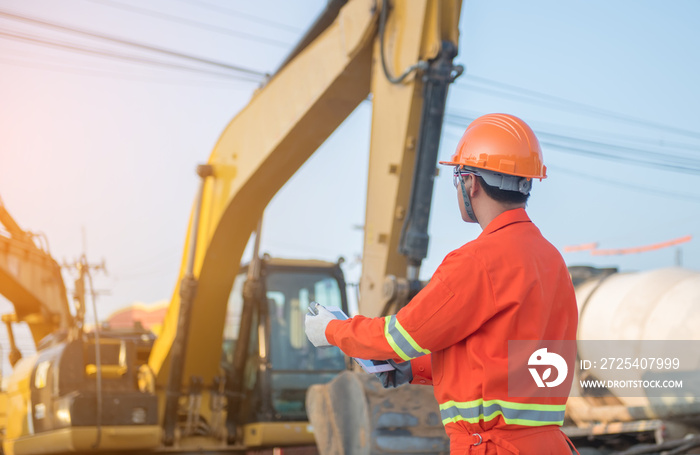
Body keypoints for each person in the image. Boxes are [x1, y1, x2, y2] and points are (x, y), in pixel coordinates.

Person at [305, 113, 579, 454]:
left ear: (471, 182)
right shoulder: (552, 262)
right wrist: (413, 369)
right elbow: (506, 364)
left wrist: (332, 331)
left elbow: (397, 337)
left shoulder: (477, 261)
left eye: (458, 177)